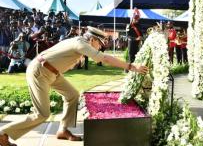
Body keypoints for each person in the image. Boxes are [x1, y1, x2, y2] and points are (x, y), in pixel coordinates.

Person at [0, 26, 148, 146]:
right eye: (99, 45)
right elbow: (105, 59)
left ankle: (63, 130)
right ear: (93, 40)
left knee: (72, 95)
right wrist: (131, 66)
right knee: (42, 114)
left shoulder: (78, 42)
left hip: (51, 72)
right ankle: (3, 133)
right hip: (40, 72)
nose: (99, 48)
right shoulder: (80, 43)